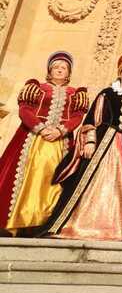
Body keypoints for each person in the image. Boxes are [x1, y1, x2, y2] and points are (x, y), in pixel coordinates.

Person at [43, 52, 122, 241]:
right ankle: (73, 224)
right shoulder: (106, 94)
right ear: (120, 73)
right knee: (88, 180)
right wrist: (89, 141)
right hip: (101, 144)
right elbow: (91, 119)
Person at [0, 52, 88, 236]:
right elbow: (25, 110)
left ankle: (45, 223)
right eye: (56, 67)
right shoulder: (36, 88)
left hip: (61, 141)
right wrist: (40, 128)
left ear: (68, 72)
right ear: (50, 70)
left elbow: (77, 116)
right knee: (26, 176)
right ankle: (18, 221)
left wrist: (61, 130)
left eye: (63, 68)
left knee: (55, 178)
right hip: (32, 138)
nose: (59, 70)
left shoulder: (76, 93)